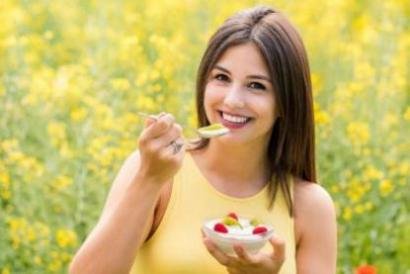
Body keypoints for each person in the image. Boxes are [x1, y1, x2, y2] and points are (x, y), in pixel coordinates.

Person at [69, 5, 337, 274]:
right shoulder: (157, 172)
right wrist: (148, 179)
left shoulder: (311, 207)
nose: (232, 100)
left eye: (256, 85)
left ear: (285, 102)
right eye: (221, 77)